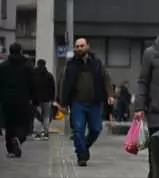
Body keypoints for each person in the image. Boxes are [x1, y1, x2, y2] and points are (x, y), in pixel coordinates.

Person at [59, 37, 115, 167]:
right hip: (77, 103)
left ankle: (83, 147)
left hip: (94, 102)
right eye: (77, 46)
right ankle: (82, 155)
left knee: (96, 129)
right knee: (78, 129)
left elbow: (106, 78)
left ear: (87, 46)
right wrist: (63, 102)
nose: (79, 48)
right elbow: (64, 83)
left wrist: (110, 94)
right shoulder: (71, 64)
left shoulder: (96, 63)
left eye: (81, 46)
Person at [0, 43, 35, 157]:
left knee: (10, 126)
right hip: (23, 100)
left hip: (7, 100)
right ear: (20, 51)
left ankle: (11, 149)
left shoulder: (3, 66)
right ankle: (19, 139)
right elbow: (33, 84)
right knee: (24, 124)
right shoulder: (27, 66)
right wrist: (35, 99)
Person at [32, 59, 56, 140]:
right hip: (47, 99)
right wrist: (53, 99)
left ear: (37, 64)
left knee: (37, 116)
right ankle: (45, 133)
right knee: (46, 116)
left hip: (36, 100)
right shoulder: (49, 75)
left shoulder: (33, 75)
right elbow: (53, 88)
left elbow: (31, 88)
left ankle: (37, 134)